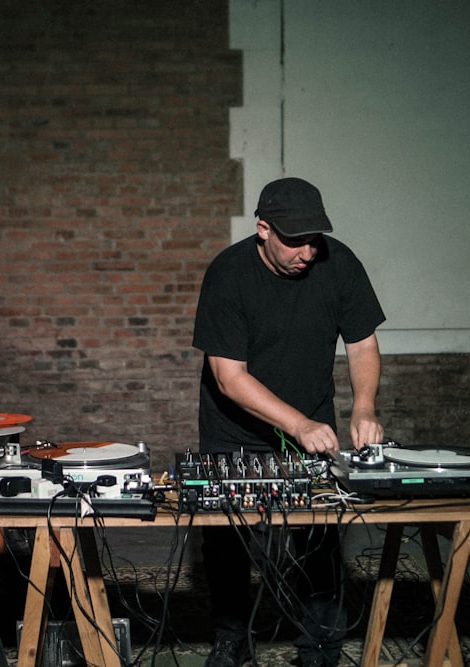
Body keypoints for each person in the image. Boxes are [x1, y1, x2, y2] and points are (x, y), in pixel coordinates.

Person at [192, 177, 386, 667]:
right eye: (295, 241)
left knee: (320, 534)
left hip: (312, 419)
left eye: (314, 239)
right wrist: (296, 424)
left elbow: (361, 343)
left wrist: (363, 406)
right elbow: (228, 376)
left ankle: (319, 645)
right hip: (236, 428)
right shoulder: (227, 274)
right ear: (263, 229)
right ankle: (233, 639)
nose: (307, 252)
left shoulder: (339, 263)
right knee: (227, 536)